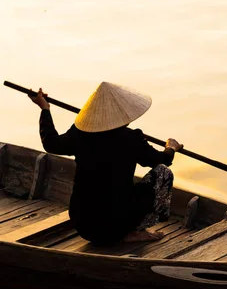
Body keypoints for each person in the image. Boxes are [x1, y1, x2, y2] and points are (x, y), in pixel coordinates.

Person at [29, 82, 183, 246]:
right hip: (117, 223)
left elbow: (51, 143)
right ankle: (133, 230)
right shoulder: (131, 138)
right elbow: (162, 160)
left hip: (84, 223)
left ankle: (126, 230)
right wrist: (170, 147)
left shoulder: (80, 134)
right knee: (164, 173)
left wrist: (44, 108)